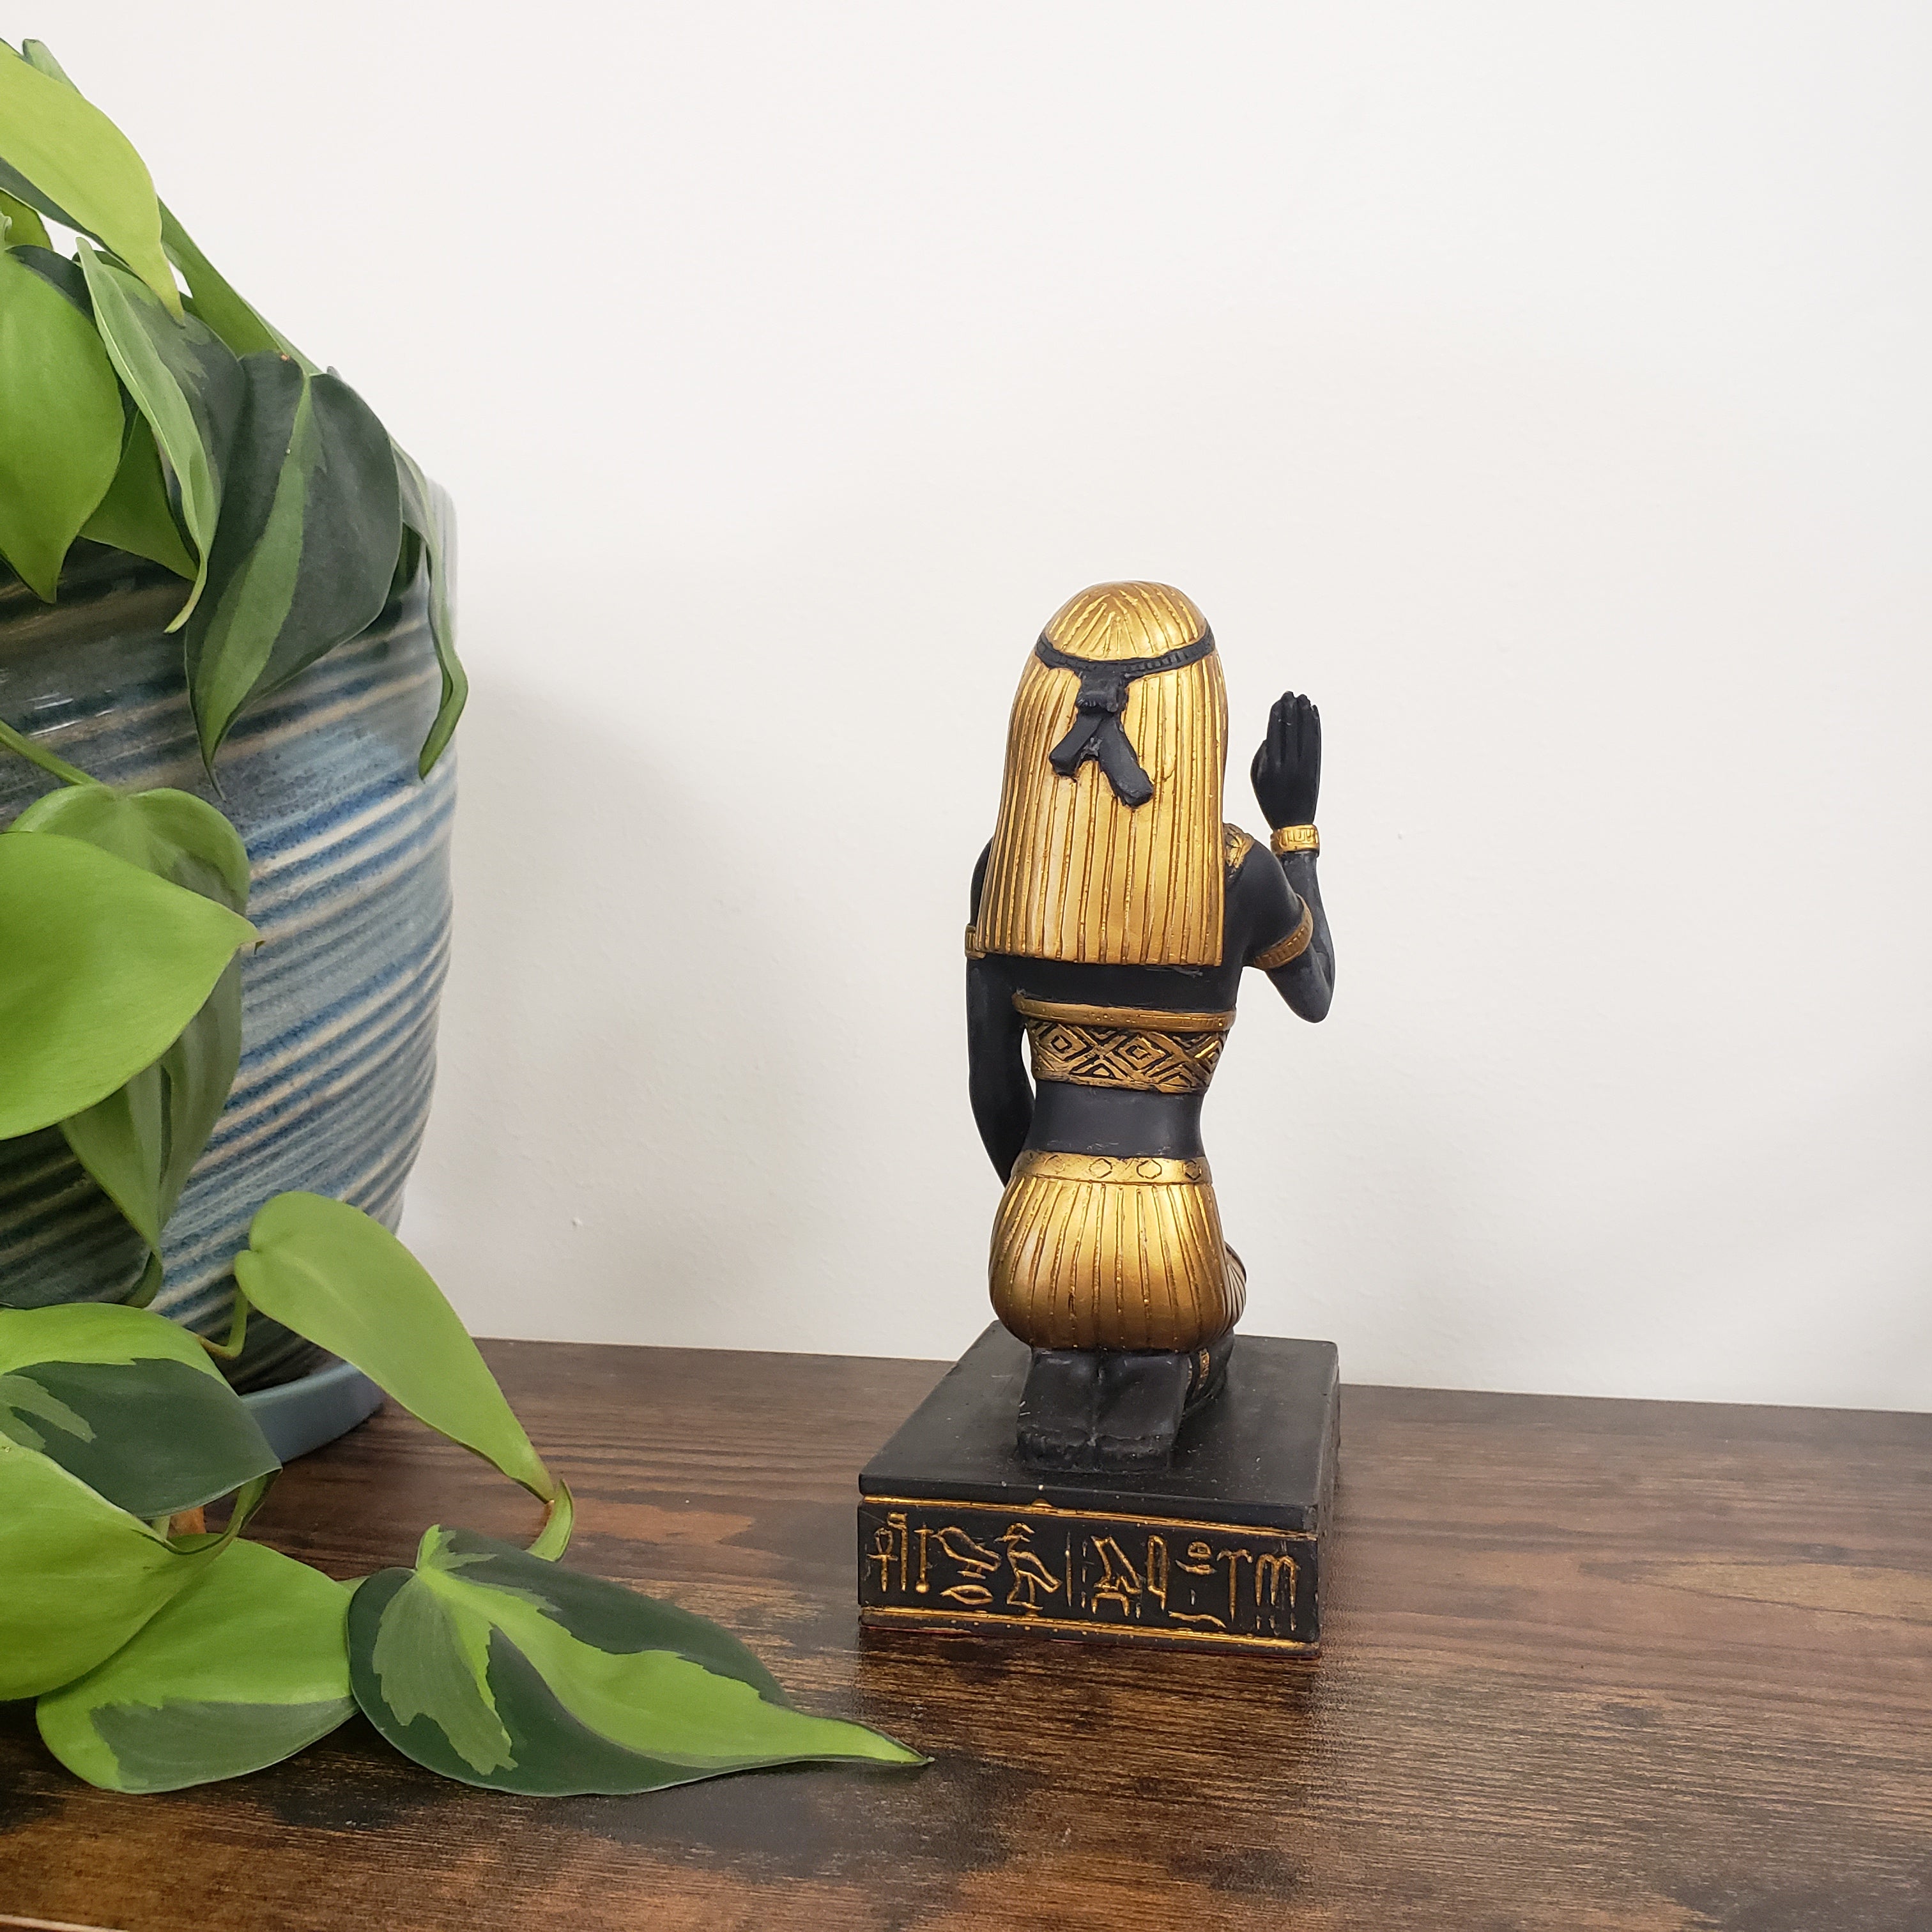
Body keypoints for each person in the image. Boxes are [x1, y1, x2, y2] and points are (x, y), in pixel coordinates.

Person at [965, 581, 1333, 1470]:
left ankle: (1063, 1366)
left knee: (1069, 1334)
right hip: (1170, 1242)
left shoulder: (1005, 871)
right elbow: (1316, 989)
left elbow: (991, 1088)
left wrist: (1041, 1211)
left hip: (1030, 1257)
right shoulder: (1236, 871)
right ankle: (1164, 1365)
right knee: (1220, 1287)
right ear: (1193, 716)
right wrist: (1296, 831)